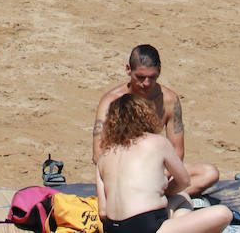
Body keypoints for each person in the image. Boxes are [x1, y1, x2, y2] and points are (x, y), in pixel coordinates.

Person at [94, 45, 221, 195]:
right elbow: (98, 154)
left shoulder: (169, 100)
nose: (146, 83)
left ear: (159, 70)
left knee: (209, 173)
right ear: (128, 70)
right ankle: (155, 200)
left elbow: (177, 151)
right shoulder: (111, 101)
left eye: (152, 77)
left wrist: (157, 178)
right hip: (122, 171)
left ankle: (152, 198)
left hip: (155, 171)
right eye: (140, 77)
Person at [95, 94, 231, 233]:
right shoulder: (157, 142)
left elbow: (103, 212)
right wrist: (164, 193)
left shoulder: (104, 156)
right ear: (145, 116)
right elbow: (184, 181)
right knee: (223, 213)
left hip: (113, 229)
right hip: (147, 226)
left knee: (181, 198)